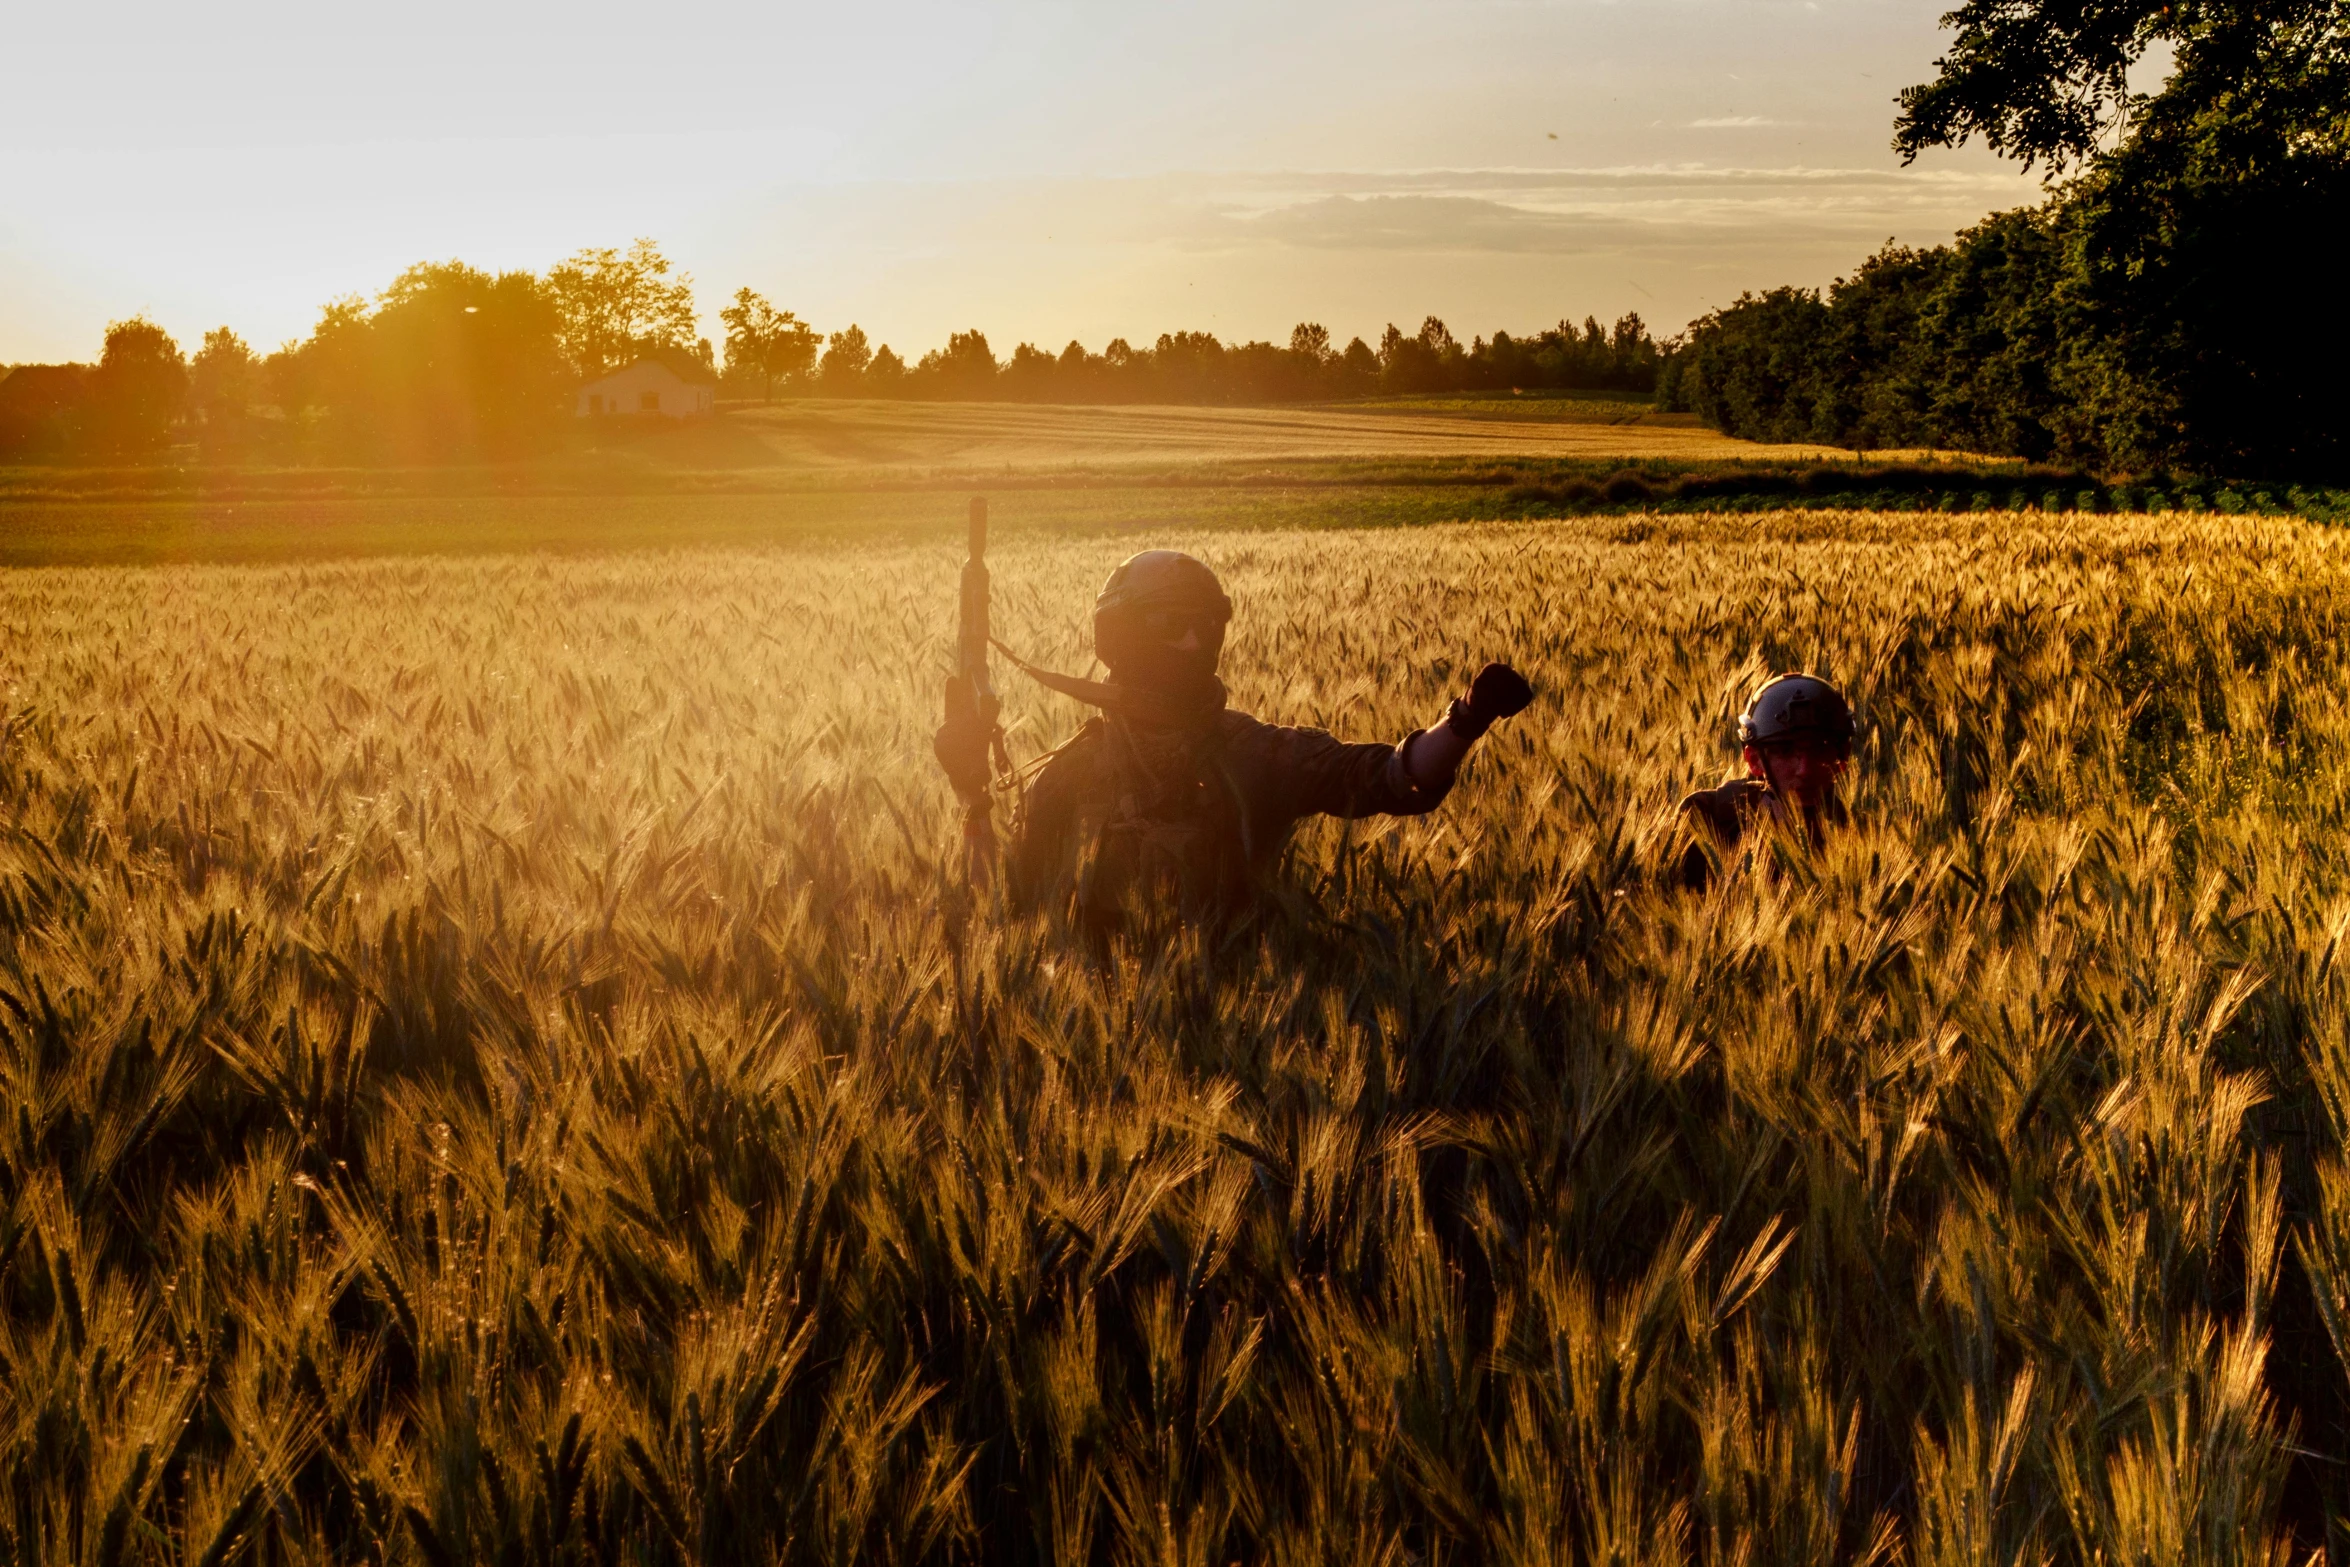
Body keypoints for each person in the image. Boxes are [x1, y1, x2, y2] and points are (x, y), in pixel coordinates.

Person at [934, 549, 1534, 930]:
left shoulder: (1253, 754)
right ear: (1119, 635)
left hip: (1234, 1041)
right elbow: (1012, 909)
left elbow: (1386, 777)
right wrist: (972, 799)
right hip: (1113, 1060)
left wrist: (1464, 722)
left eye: (1208, 625)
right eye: (1172, 626)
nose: (1196, 644)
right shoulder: (1072, 772)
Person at [1676, 672, 1854, 890]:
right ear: (1753, 760)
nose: (1805, 770)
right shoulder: (1704, 818)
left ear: (1843, 757)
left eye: (1820, 749)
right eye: (1785, 751)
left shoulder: (1863, 837)